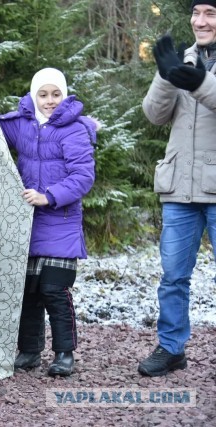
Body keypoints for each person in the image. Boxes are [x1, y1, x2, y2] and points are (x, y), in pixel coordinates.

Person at [0, 68, 96, 376]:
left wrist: (48, 196)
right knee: (27, 290)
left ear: (63, 96)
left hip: (60, 221)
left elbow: (83, 176)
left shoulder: (74, 130)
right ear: (33, 96)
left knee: (54, 289)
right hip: (25, 222)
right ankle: (29, 351)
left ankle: (65, 353)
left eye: (56, 94)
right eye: (43, 94)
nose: (50, 101)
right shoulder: (22, 124)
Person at [139, 0, 216, 377]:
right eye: (196, 14)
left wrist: (201, 82)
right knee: (173, 276)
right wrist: (165, 74)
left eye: (211, 14)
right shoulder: (184, 56)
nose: (200, 22)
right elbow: (154, 115)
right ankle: (171, 348)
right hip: (179, 188)